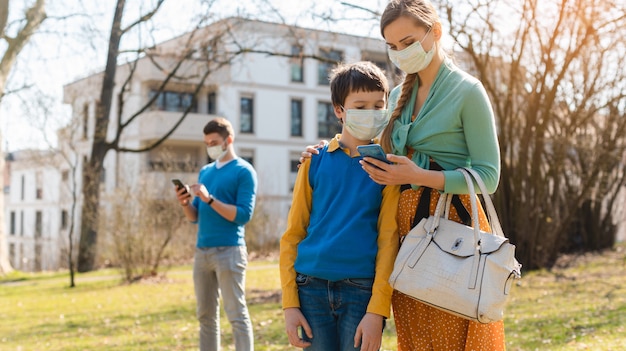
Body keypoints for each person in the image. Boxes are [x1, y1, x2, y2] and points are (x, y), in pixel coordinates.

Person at [301, 0, 505, 349]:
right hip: (404, 233)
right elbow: (363, 140)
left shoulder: (468, 92)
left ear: (435, 32)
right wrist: (324, 147)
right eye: (393, 47)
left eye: (408, 42)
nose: (400, 53)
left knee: (452, 336)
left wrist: (422, 176)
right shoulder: (395, 97)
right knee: (416, 339)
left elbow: (488, 176)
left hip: (452, 232)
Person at [280, 61, 400, 351]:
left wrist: (377, 310)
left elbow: (388, 241)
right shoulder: (314, 161)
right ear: (339, 110)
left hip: (361, 292)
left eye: (377, 105)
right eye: (360, 106)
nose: (370, 113)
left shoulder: (388, 169)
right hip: (310, 289)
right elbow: (293, 233)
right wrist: (289, 304)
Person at [174, 117, 257, 351]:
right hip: (203, 252)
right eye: (206, 143)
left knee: (236, 315)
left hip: (230, 251)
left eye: (214, 142)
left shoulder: (244, 171)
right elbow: (195, 217)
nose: (210, 146)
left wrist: (209, 198)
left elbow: (243, 215)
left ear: (228, 140)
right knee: (206, 317)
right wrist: (184, 203)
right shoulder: (205, 171)